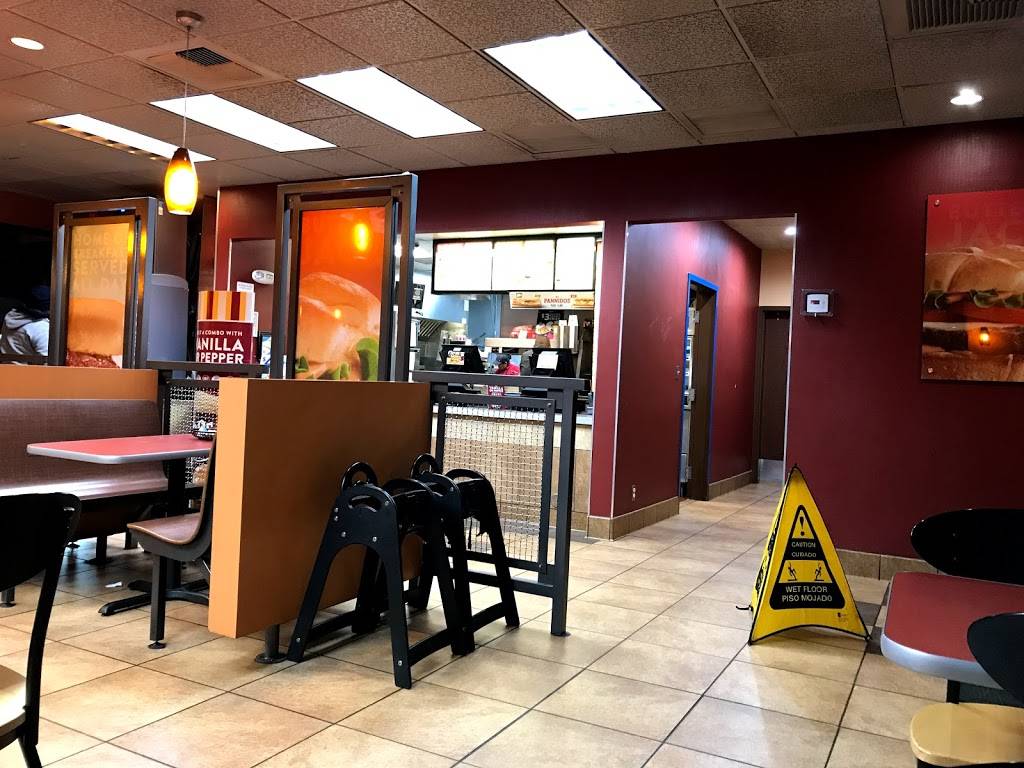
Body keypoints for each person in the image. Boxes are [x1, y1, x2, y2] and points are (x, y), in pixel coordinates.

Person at [1, 285, 50, 361]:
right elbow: (47, 363)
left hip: (5, 367)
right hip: (26, 369)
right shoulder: (41, 329)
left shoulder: (11, 317)